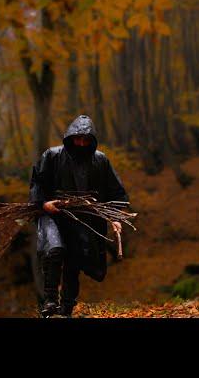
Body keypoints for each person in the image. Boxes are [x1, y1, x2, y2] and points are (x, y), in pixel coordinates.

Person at [29, 115, 128, 317]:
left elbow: (116, 191)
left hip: (83, 219)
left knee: (74, 262)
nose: (81, 143)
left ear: (92, 140)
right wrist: (43, 204)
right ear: (70, 137)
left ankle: (66, 308)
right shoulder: (52, 156)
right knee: (54, 250)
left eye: (85, 140)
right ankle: (49, 302)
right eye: (77, 138)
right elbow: (37, 183)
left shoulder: (100, 160)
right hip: (53, 214)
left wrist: (116, 217)